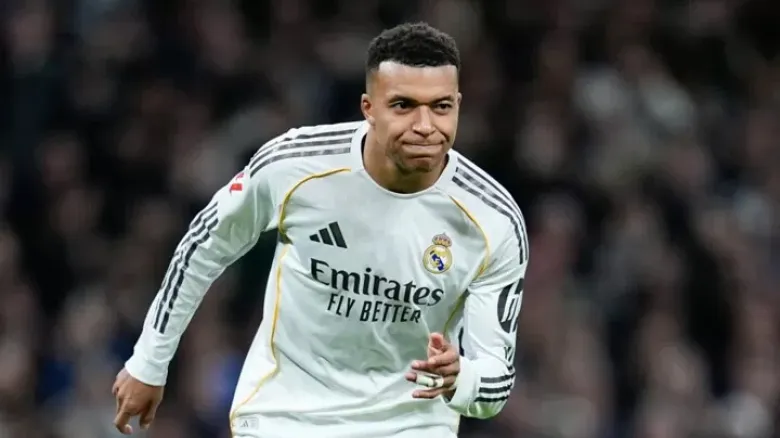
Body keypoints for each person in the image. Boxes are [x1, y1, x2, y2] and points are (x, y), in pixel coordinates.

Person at [112, 22, 529, 438]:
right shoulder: (295, 166)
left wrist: (461, 378)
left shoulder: (492, 221)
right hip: (286, 417)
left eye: (441, 107)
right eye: (403, 105)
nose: (425, 125)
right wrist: (149, 362)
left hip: (410, 426)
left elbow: (495, 380)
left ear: (458, 105)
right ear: (369, 108)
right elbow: (203, 246)